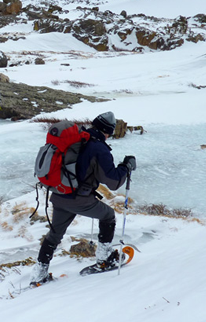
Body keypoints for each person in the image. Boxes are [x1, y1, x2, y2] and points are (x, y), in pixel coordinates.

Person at [30, 111, 136, 283]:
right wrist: (126, 167)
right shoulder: (99, 149)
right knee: (108, 216)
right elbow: (113, 182)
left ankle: (39, 274)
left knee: (55, 235)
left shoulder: (79, 138)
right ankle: (104, 259)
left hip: (59, 194)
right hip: (78, 199)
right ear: (108, 131)